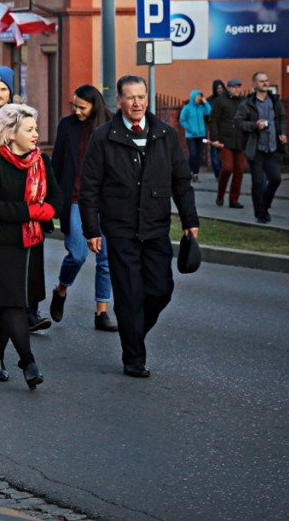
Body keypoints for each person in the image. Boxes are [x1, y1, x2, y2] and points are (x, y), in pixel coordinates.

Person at [80, 75, 198, 378]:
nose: (137, 103)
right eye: (130, 97)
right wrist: (91, 229)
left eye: (142, 97)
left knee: (161, 289)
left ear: (148, 98)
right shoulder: (104, 136)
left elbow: (181, 182)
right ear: (118, 101)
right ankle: (134, 357)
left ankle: (133, 334)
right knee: (130, 293)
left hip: (156, 226)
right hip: (119, 228)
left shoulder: (165, 134)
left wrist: (190, 221)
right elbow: (89, 186)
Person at [0, 104, 60, 390]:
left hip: (30, 243)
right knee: (12, 301)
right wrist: (31, 211)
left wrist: (48, 210)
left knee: (14, 303)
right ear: (10, 134)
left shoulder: (42, 162)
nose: (36, 133)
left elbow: (56, 200)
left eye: (35, 128)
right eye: (29, 129)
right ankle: (28, 361)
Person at [0, 66, 51, 331]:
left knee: (30, 255)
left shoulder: (21, 117)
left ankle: (30, 309)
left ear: (11, 90)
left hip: (24, 196)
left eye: (3, 89)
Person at [49, 85, 116, 332]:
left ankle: (101, 313)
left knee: (106, 259)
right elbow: (57, 161)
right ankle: (62, 289)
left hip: (105, 202)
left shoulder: (111, 123)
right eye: (74, 106)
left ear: (94, 106)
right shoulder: (67, 125)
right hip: (75, 200)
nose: (77, 111)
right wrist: (52, 198)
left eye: (82, 107)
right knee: (77, 253)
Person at [234, 72, 287, 224]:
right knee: (257, 182)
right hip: (256, 148)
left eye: (267, 81)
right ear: (254, 85)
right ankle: (261, 214)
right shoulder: (247, 103)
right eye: (261, 81)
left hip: (273, 147)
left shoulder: (275, 101)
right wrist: (254, 125)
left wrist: (282, 133)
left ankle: (265, 203)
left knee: (275, 179)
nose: (265, 83)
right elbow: (238, 122)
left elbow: (282, 118)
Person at [209, 78, 246, 209]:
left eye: (239, 87)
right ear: (228, 88)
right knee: (227, 168)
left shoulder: (244, 101)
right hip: (225, 140)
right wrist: (214, 138)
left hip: (241, 140)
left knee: (240, 169)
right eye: (234, 87)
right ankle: (220, 194)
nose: (237, 89)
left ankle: (234, 199)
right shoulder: (220, 101)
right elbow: (213, 120)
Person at [179, 89, 212, 182]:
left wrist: (205, 103)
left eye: (200, 96)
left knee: (199, 155)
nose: (199, 98)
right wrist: (190, 128)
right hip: (191, 135)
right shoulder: (187, 108)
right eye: (198, 96)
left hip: (201, 135)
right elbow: (182, 120)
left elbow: (210, 112)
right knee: (193, 154)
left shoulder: (201, 108)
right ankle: (189, 172)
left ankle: (196, 174)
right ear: (193, 97)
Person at [205, 79, 226, 179]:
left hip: (225, 130)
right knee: (214, 154)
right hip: (214, 130)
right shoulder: (210, 100)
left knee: (224, 153)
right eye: (218, 88)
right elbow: (207, 113)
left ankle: (223, 173)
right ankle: (218, 174)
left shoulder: (227, 99)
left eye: (221, 88)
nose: (220, 90)